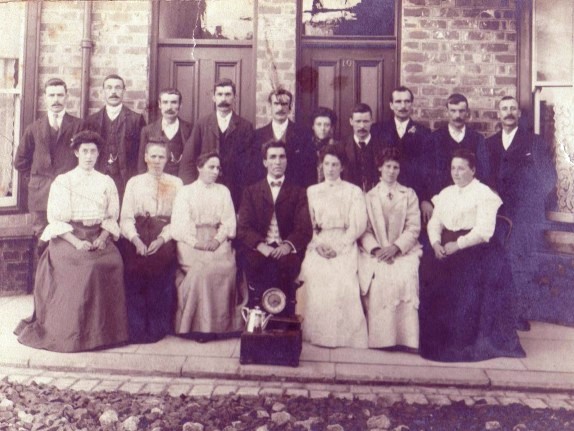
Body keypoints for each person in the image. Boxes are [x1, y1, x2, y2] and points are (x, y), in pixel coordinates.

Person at [14, 131, 128, 352]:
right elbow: (56, 220)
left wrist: (103, 238)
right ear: (76, 153)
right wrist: (77, 243)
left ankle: (105, 334)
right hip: (68, 236)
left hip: (98, 235)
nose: (88, 156)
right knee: (85, 266)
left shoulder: (106, 182)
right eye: (84, 151)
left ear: (98, 154)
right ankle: (77, 333)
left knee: (112, 262)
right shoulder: (64, 181)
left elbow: (111, 216)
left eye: (93, 151)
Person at [419, 148, 525, 362]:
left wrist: (456, 245)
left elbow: (484, 232)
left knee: (462, 278)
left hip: (475, 249)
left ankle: (461, 340)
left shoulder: (484, 194)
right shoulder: (447, 193)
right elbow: (435, 223)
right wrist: (436, 243)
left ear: (473, 170)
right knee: (429, 270)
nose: (456, 173)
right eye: (453, 168)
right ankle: (436, 338)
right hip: (446, 246)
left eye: (461, 168)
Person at [484, 96, 557, 331]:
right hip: (496, 215)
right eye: (504, 108)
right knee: (496, 261)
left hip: (524, 216)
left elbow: (548, 179)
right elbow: (483, 176)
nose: (508, 113)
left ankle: (517, 314)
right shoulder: (488, 143)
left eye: (512, 109)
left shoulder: (533, 142)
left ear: (519, 113)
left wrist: (529, 203)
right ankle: (495, 315)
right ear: (498, 113)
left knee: (520, 264)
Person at [297, 145, 368, 348]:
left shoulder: (353, 191)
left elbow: (358, 224)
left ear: (342, 167)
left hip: (344, 243)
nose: (330, 169)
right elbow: (307, 223)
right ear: (321, 166)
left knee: (342, 280)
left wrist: (340, 245)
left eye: (335, 164)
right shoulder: (312, 191)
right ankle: (315, 333)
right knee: (314, 274)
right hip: (318, 242)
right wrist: (318, 244)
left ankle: (343, 336)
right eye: (326, 164)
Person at [171, 152, 242, 341]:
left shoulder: (223, 191)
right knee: (200, 271)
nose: (215, 171)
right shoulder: (186, 192)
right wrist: (198, 243)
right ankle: (198, 327)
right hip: (191, 242)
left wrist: (217, 240)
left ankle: (218, 327)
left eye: (218, 168)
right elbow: (179, 225)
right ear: (199, 167)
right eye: (211, 167)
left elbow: (228, 222)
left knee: (221, 268)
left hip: (217, 240)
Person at [237, 141, 313, 316]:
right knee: (256, 265)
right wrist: (260, 245)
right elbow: (243, 228)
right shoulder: (251, 191)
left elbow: (303, 228)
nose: (277, 162)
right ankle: (257, 320)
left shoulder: (298, 192)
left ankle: (283, 321)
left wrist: (287, 246)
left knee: (287, 267)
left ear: (287, 160)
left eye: (281, 157)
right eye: (272, 157)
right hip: (259, 250)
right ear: (265, 162)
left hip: (286, 251)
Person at [358, 147, 422, 351]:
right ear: (380, 168)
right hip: (376, 252)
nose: (392, 171)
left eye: (396, 167)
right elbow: (364, 230)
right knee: (380, 278)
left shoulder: (408, 194)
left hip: (403, 252)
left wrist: (396, 248)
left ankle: (405, 338)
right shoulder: (369, 196)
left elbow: (414, 227)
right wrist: (377, 250)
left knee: (405, 276)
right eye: (388, 166)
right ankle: (382, 339)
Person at [120, 142, 183, 343]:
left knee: (160, 263)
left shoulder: (176, 183)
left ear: (167, 159)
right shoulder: (134, 182)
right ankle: (137, 327)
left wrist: (162, 239)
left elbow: (179, 219)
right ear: (146, 157)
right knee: (133, 266)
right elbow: (126, 218)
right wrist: (136, 240)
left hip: (163, 233)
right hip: (138, 232)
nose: (157, 162)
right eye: (153, 156)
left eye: (161, 157)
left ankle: (158, 326)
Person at [15, 78, 83, 245]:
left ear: (67, 97)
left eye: (60, 95)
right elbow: (20, 161)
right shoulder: (34, 128)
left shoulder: (78, 126)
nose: (56, 100)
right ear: (45, 98)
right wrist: (35, 180)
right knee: (42, 241)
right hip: (40, 197)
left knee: (67, 242)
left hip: (69, 194)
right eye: (51, 95)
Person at [179, 78, 256, 209]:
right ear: (213, 98)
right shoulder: (202, 124)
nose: (223, 99)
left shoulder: (245, 127)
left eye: (228, 94)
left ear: (235, 98)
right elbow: (188, 160)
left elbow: (250, 167)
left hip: (234, 192)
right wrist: (191, 191)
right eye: (219, 94)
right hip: (205, 190)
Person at [373, 86, 433, 223]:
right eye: (398, 102)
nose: (403, 106)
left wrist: (425, 199)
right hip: (384, 194)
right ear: (391, 105)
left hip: (413, 195)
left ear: (412, 104)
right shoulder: (378, 130)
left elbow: (427, 169)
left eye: (407, 102)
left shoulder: (423, 132)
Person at [85, 74, 146, 198]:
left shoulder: (136, 119)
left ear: (124, 91)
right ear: (103, 92)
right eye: (109, 88)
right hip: (98, 178)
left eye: (118, 88)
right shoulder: (92, 121)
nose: (113, 92)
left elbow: (142, 154)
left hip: (125, 180)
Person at [429, 93, 489, 199]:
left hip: (470, 197)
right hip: (441, 197)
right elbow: (427, 171)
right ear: (447, 112)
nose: (457, 116)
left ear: (467, 112)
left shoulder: (477, 139)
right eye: (453, 111)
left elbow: (483, 171)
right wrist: (427, 199)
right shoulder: (435, 138)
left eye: (461, 111)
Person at [254, 88, 316, 188]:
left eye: (284, 104)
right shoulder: (258, 135)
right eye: (276, 104)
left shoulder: (304, 134)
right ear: (270, 107)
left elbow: (310, 170)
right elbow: (255, 170)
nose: (280, 108)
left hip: (295, 193)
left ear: (290, 107)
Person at [137, 88, 193, 177]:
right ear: (160, 105)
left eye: (174, 102)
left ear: (180, 105)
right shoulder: (147, 130)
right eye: (165, 102)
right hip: (157, 182)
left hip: (182, 183)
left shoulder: (190, 129)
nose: (169, 107)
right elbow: (142, 164)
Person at [341, 103, 384, 192]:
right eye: (358, 121)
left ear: (372, 121)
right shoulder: (341, 146)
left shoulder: (383, 146)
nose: (362, 126)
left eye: (366, 121)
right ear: (351, 121)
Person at [308, 106, 338, 183]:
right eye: (319, 124)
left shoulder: (338, 147)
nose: (322, 128)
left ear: (332, 127)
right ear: (313, 126)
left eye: (327, 125)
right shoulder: (305, 147)